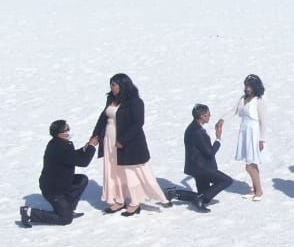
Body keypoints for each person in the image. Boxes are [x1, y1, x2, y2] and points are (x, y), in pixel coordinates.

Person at [90, 73, 168, 216]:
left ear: (123, 85)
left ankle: (134, 202)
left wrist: (122, 140)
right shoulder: (111, 99)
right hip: (109, 140)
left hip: (128, 144)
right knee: (113, 171)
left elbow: (138, 123)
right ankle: (118, 200)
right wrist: (95, 135)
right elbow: (103, 118)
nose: (112, 88)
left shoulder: (135, 101)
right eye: (111, 85)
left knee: (129, 172)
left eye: (114, 85)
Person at [18, 120, 98, 227]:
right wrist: (92, 147)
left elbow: (73, 156)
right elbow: (83, 162)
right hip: (54, 190)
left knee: (81, 180)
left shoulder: (61, 143)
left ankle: (69, 208)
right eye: (67, 129)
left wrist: (86, 148)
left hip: (62, 183)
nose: (69, 130)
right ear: (60, 134)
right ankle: (30, 213)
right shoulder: (59, 148)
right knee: (65, 219)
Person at [181, 104, 234, 213]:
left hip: (194, 166)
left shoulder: (191, 127)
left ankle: (175, 193)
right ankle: (198, 200)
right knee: (226, 181)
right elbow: (210, 153)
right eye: (208, 115)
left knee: (204, 194)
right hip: (202, 168)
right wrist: (218, 138)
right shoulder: (199, 132)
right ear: (201, 116)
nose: (210, 116)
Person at [233, 74, 268, 201]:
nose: (248, 88)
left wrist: (261, 139)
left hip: (254, 133)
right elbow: (234, 111)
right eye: (246, 86)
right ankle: (255, 189)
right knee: (250, 163)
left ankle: (259, 190)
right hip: (244, 131)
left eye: (250, 86)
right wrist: (222, 119)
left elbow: (263, 122)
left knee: (250, 165)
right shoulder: (243, 99)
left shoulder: (258, 102)